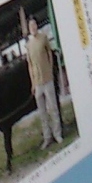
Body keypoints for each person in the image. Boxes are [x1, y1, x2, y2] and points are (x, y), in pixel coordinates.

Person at [26, 17, 62, 152]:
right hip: (37, 83)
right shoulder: (28, 45)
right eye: (31, 26)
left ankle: (57, 134)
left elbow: (50, 54)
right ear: (29, 28)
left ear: (37, 25)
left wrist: (50, 70)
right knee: (42, 112)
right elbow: (30, 65)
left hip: (47, 78)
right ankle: (47, 137)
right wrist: (33, 83)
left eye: (34, 24)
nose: (33, 27)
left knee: (53, 107)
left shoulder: (43, 38)